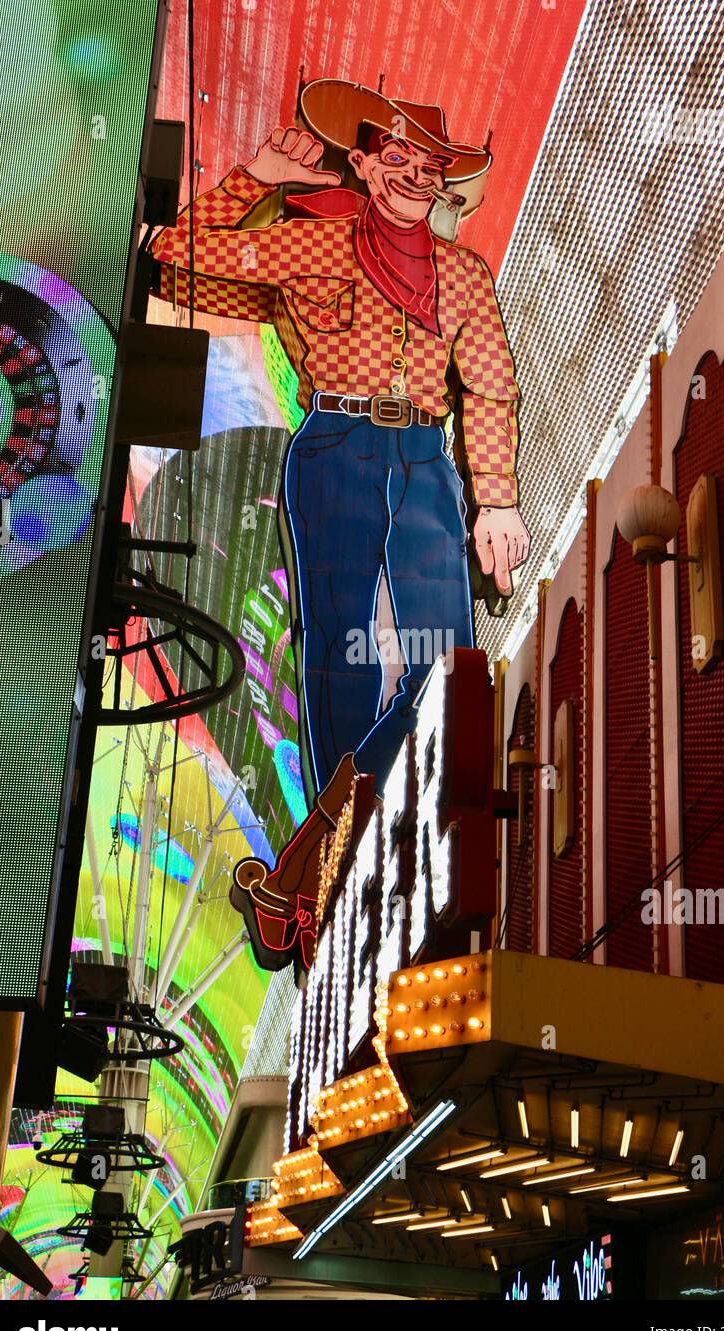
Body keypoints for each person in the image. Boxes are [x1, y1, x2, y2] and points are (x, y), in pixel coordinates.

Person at [151, 79, 529, 970]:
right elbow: (175, 257)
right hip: (333, 450)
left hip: (428, 460)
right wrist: (258, 174)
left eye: (428, 165)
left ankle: (297, 873)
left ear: (442, 182)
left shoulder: (464, 276)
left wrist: (499, 499)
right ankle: (334, 881)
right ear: (360, 163)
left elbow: (492, 386)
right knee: (335, 663)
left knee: (448, 670)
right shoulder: (310, 244)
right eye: (392, 156)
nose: (410, 175)